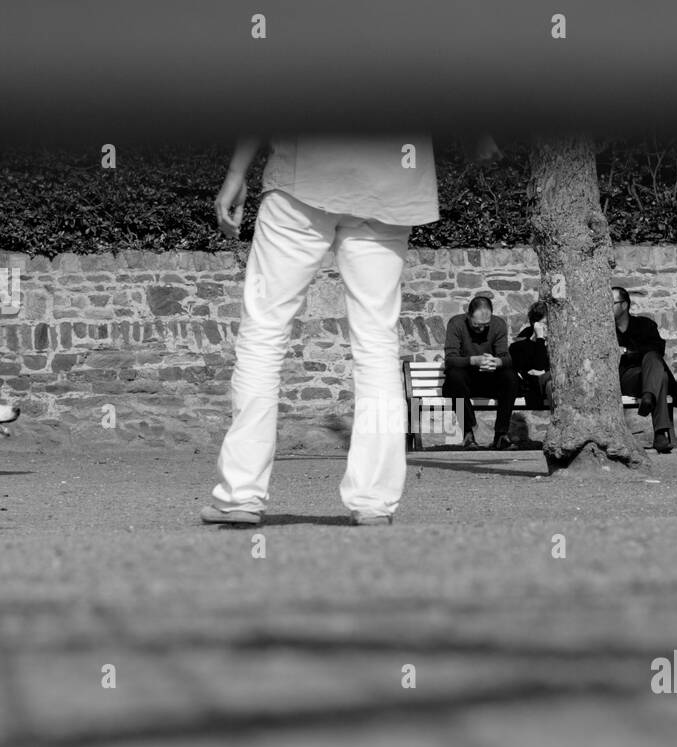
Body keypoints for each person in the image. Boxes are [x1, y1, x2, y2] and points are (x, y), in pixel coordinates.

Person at [201, 134, 499, 527]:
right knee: (377, 344)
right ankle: (373, 500)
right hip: (391, 184)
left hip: (304, 175)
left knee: (264, 334)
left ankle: (240, 495)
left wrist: (237, 171)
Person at [443, 295, 519, 450]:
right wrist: (473, 360)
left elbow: (507, 358)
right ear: (468, 315)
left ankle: (501, 435)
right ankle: (468, 433)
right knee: (454, 375)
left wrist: (496, 362)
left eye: (486, 325)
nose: (481, 329)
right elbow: (450, 359)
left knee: (510, 377)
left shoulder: (498, 325)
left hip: (489, 379)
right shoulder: (456, 324)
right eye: (477, 325)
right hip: (465, 381)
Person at [612, 286, 677, 453]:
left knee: (653, 359)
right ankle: (660, 433)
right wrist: (636, 354)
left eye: (612, 303)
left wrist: (627, 352)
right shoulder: (605, 331)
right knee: (660, 376)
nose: (608, 307)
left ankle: (649, 397)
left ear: (624, 305)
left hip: (649, 373)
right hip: (627, 378)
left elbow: (658, 348)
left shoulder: (644, 325)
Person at [509, 300, 551, 408]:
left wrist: (543, 372)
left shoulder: (556, 345)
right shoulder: (519, 346)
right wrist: (540, 337)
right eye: (545, 323)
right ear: (535, 324)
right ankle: (460, 423)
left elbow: (541, 369)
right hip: (532, 389)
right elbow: (536, 367)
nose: (548, 327)